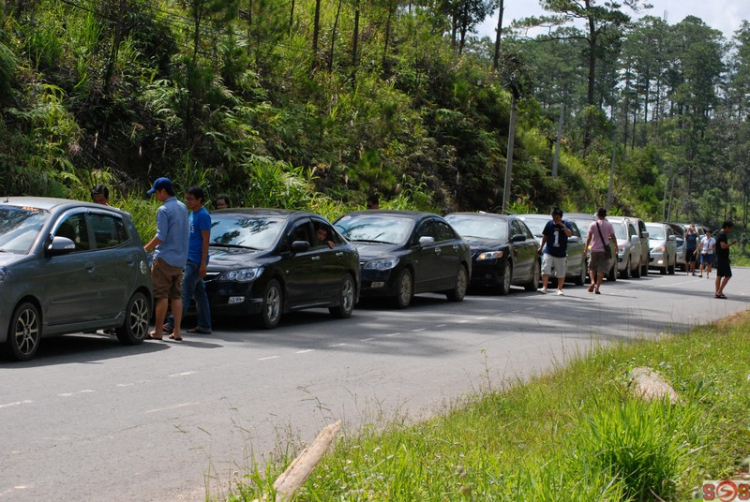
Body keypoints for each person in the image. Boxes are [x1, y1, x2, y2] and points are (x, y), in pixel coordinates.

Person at [143, 177, 189, 341]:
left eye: (156, 192)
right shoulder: (183, 207)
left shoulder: (163, 210)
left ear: (163, 191)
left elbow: (160, 236)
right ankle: (177, 331)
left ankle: (158, 331)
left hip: (164, 258)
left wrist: (145, 248)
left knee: (161, 295)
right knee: (176, 296)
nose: (156, 196)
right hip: (180, 259)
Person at [164, 186, 213, 336]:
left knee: (183, 293)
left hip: (195, 261)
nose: (188, 201)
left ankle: (171, 324)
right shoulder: (192, 214)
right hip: (188, 258)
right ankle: (205, 325)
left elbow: (206, 240)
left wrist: (203, 263)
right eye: (187, 198)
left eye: (191, 199)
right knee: (199, 294)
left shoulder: (203, 215)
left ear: (199, 199)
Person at [537, 207, 573, 295]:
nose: (555, 219)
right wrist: (541, 247)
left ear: (560, 217)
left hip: (561, 252)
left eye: (557, 218)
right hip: (549, 250)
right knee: (545, 267)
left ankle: (560, 289)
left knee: (561, 271)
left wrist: (562, 226)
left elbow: (570, 234)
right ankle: (544, 287)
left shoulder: (567, 224)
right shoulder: (549, 224)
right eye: (553, 217)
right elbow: (545, 236)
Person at [586, 207, 618, 295]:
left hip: (594, 249)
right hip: (604, 250)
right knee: (601, 270)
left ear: (597, 215)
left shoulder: (593, 224)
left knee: (591, 267)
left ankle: (592, 282)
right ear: (605, 215)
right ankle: (597, 288)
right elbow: (613, 236)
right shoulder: (609, 225)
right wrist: (616, 246)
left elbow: (589, 237)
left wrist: (586, 248)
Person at [714, 221, 737, 299]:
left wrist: (727, 257)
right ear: (727, 227)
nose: (730, 230)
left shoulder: (720, 234)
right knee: (728, 275)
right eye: (730, 228)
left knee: (719, 275)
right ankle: (719, 291)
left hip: (721, 257)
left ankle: (717, 292)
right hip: (722, 258)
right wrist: (732, 243)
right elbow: (723, 246)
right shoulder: (722, 235)